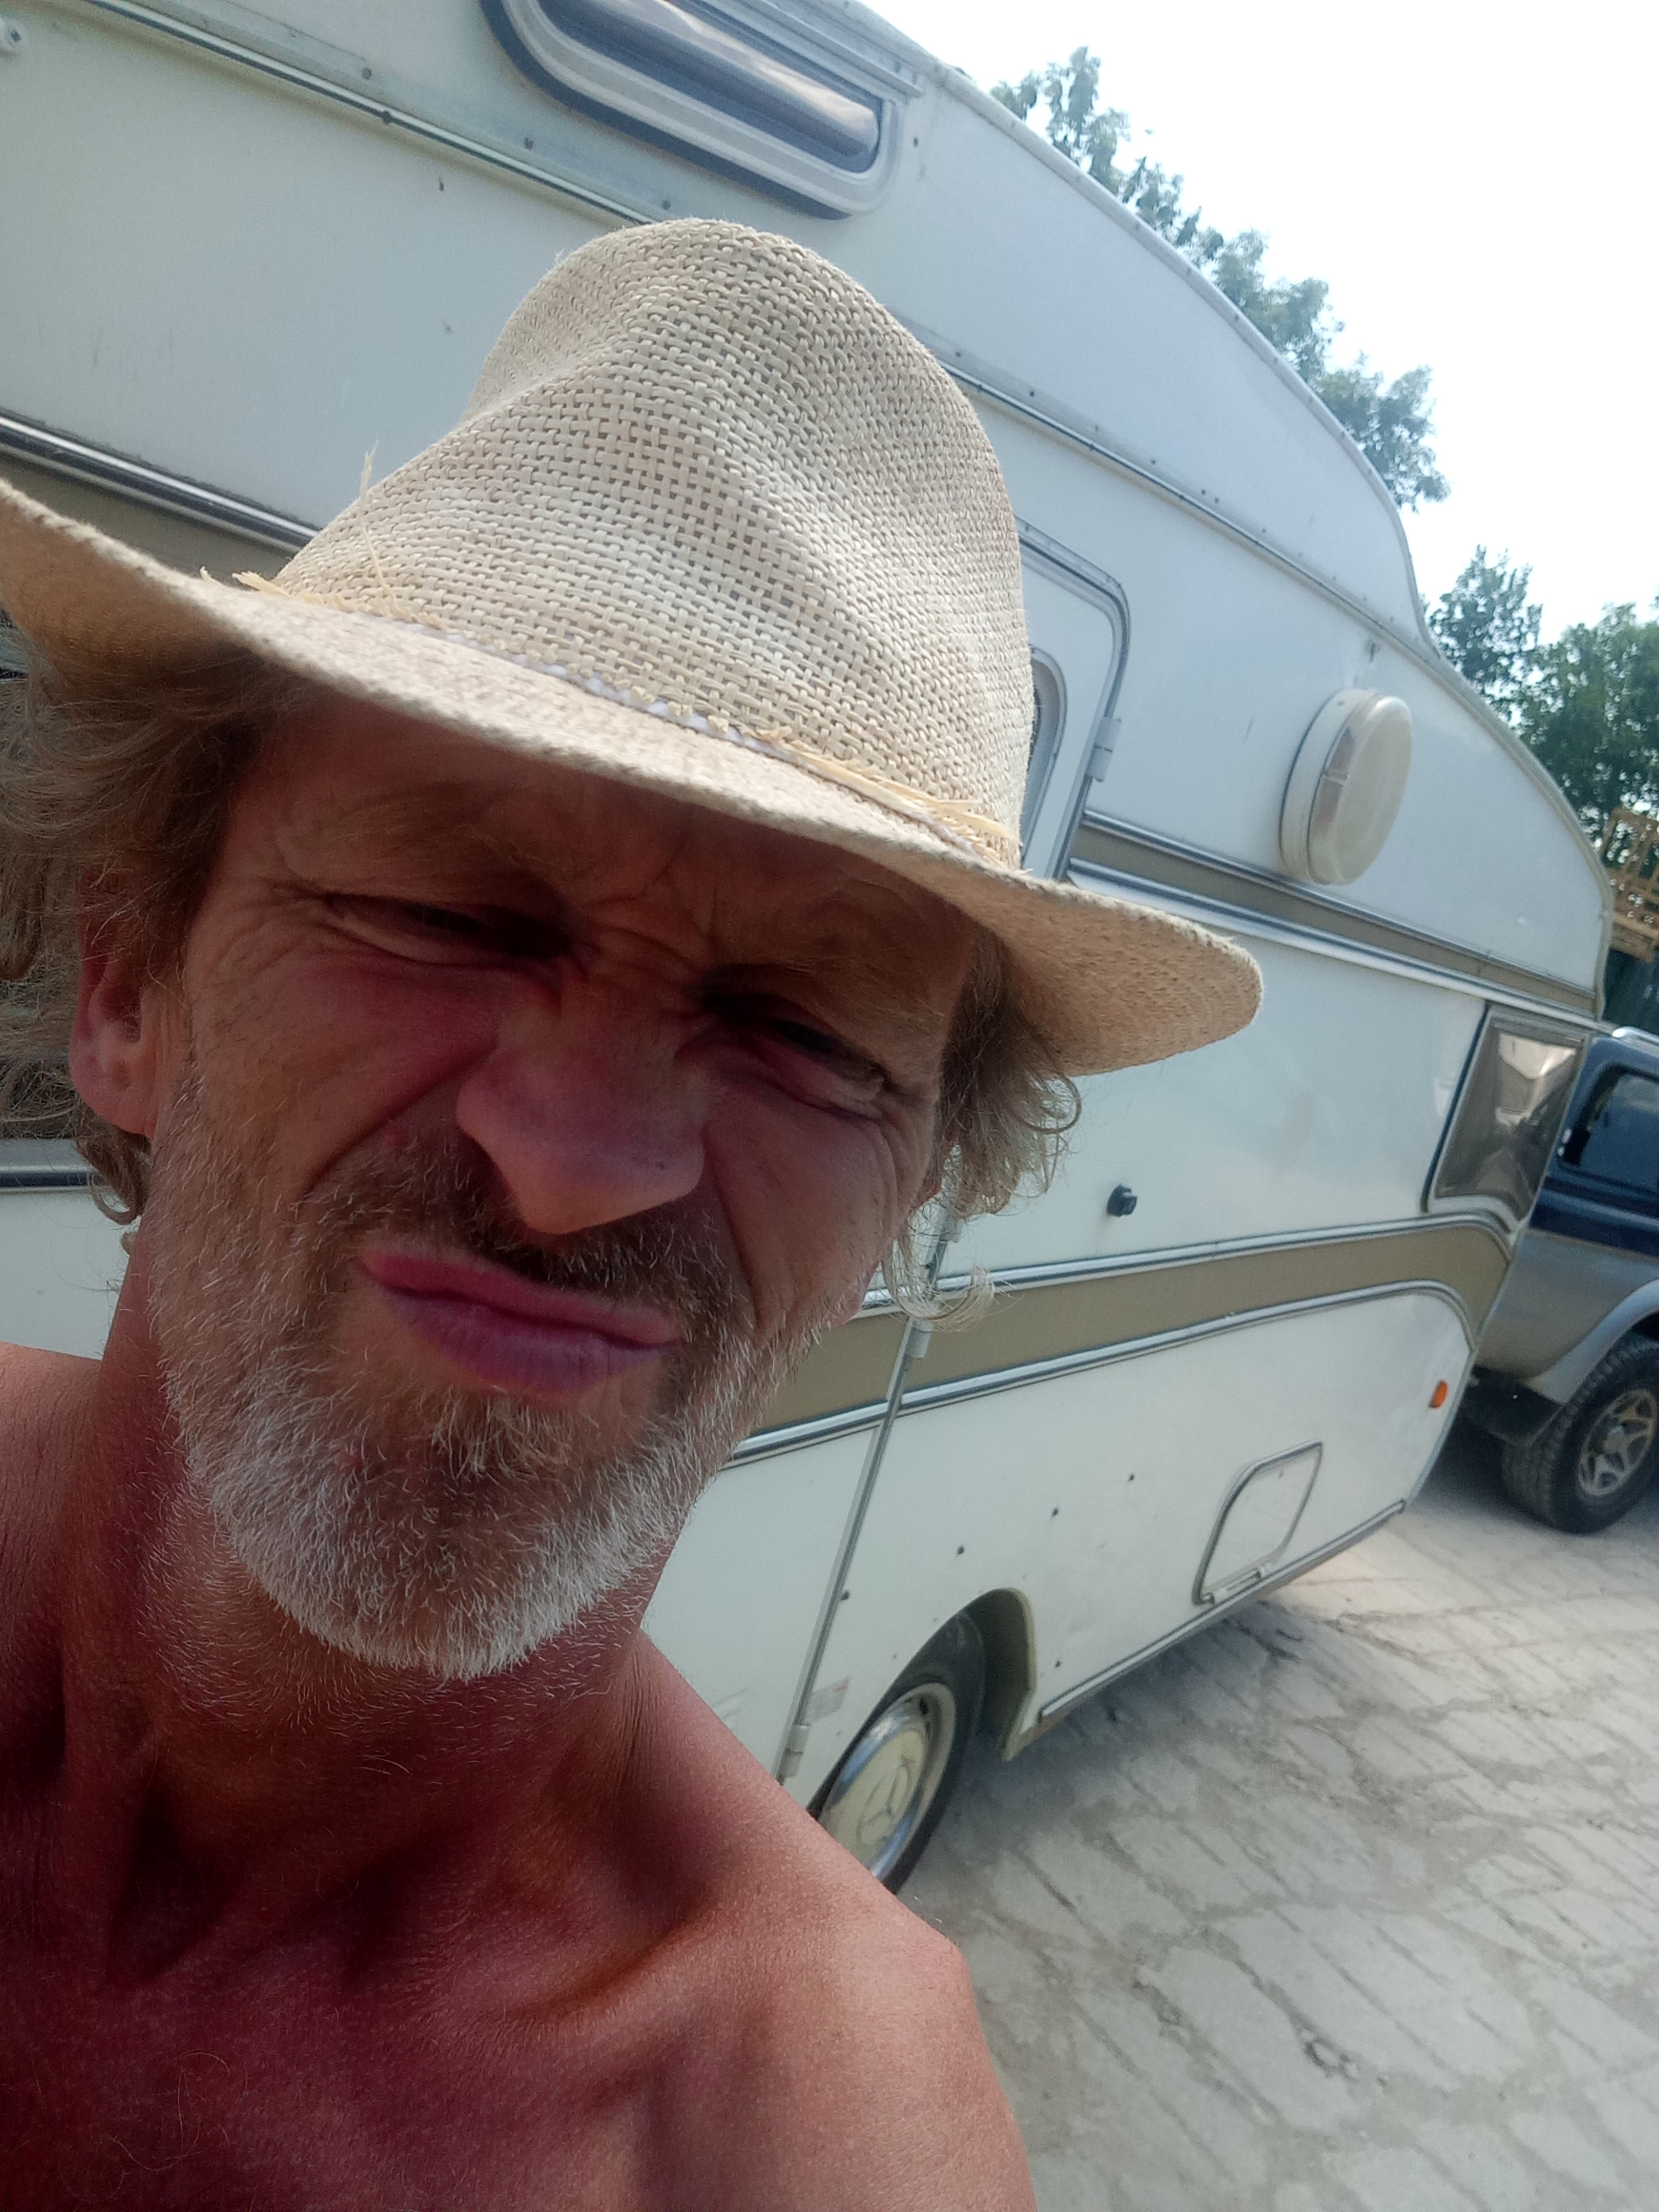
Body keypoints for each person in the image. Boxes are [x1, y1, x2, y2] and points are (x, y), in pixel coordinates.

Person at [0, 220, 1258, 2207]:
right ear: (126, 987)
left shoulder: (793, 2139)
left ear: (904, 1199)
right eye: (448, 913)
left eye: (802, 1030)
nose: (580, 1161)